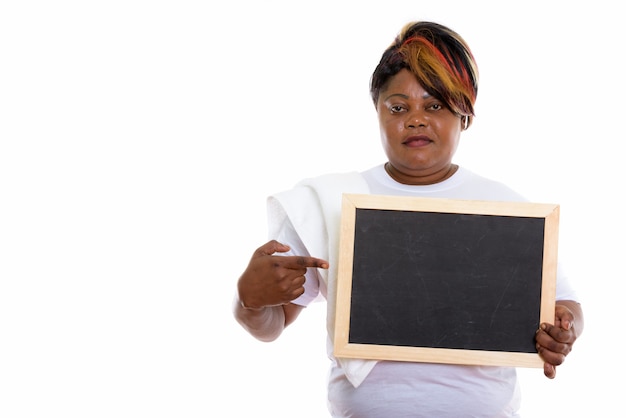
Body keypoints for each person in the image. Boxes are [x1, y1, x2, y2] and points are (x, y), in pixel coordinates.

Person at [233, 20, 584, 417]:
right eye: (398, 107)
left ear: (464, 114)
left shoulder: (503, 207)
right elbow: (272, 323)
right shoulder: (331, 202)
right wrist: (248, 300)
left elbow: (564, 303)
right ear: (378, 113)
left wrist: (565, 329)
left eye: (434, 105)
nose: (416, 119)